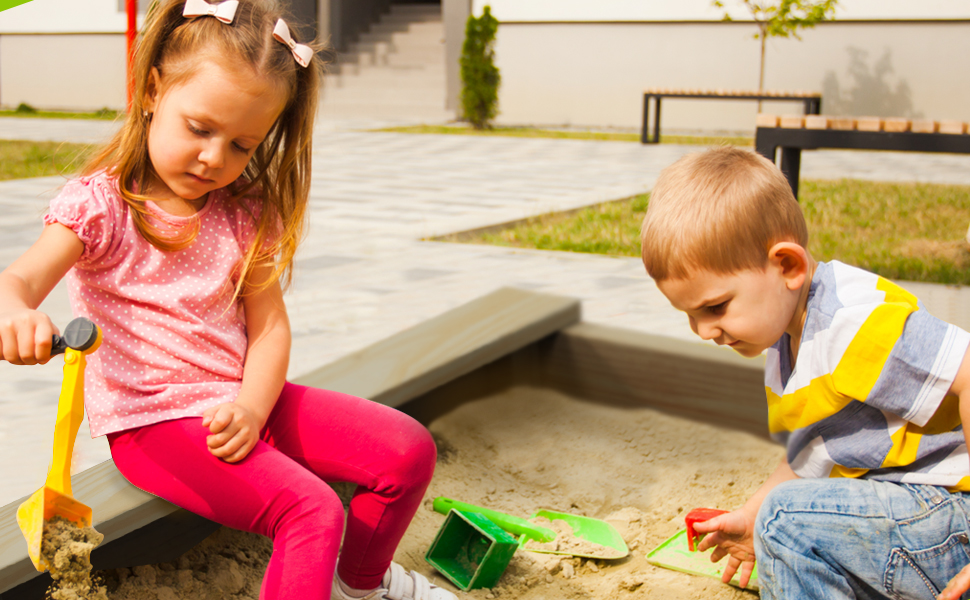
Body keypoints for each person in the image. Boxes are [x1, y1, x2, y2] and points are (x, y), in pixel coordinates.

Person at [0, 2, 454, 599]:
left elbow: (269, 329)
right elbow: (20, 282)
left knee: (406, 451)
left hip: (238, 404)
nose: (216, 158)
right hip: (155, 425)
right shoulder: (101, 205)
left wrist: (251, 407)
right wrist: (16, 315)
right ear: (152, 90)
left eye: (243, 144)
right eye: (199, 129)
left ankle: (358, 584)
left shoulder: (243, 211)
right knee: (312, 511)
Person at [639, 146, 970, 600]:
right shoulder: (785, 341)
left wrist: (775, 519)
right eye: (689, 314)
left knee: (786, 522)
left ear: (787, 266)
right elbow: (810, 452)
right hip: (912, 516)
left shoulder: (850, 323)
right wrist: (753, 516)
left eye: (715, 306)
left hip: (953, 519)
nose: (702, 330)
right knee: (779, 518)